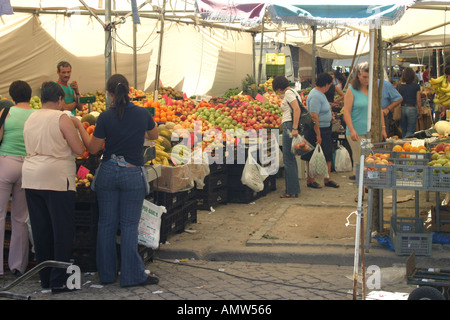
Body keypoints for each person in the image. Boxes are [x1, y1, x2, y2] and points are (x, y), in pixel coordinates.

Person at [72, 74, 159, 287]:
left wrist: (79, 126)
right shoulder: (141, 113)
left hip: (108, 172)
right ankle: (132, 276)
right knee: (129, 226)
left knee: (106, 225)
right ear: (129, 91)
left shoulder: (104, 117)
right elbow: (155, 135)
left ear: (110, 94)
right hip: (132, 173)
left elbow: (93, 149)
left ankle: (107, 274)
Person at [22, 81, 86, 293]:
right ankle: (59, 280)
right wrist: (77, 126)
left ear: (41, 99)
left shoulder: (31, 117)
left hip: (31, 176)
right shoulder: (62, 118)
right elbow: (78, 149)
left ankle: (45, 278)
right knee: (61, 230)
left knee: (41, 230)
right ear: (60, 100)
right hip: (57, 178)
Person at [0, 81, 36, 278]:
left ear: (12, 96)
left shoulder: (5, 113)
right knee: (20, 218)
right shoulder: (35, 115)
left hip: (6, 163)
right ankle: (17, 267)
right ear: (30, 95)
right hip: (28, 166)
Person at [343, 62, 387, 185]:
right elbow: (346, 112)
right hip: (356, 134)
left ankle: (369, 187)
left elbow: (379, 111)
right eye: (364, 77)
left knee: (370, 161)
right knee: (359, 161)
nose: (367, 80)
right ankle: (361, 192)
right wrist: (352, 130)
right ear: (358, 75)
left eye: (369, 77)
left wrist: (383, 128)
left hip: (370, 133)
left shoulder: (373, 91)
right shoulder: (351, 90)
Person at [301, 73, 340, 189]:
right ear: (326, 84)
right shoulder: (315, 96)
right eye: (330, 84)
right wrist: (318, 134)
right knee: (312, 155)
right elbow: (314, 116)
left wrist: (330, 116)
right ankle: (310, 179)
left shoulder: (321, 94)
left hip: (325, 128)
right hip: (316, 130)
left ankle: (328, 179)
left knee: (327, 153)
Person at [272, 75, 301, 198]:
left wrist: (293, 128)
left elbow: (297, 109)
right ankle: (293, 189)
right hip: (288, 125)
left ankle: (290, 190)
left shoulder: (288, 93)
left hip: (290, 126)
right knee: (291, 158)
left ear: (278, 88)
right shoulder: (294, 91)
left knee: (288, 158)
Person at [397, 67, 422, 138]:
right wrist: (420, 111)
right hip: (412, 108)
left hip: (401, 108)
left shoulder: (399, 86)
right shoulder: (416, 86)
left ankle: (403, 145)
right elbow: (418, 100)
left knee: (403, 129)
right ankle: (406, 144)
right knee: (410, 130)